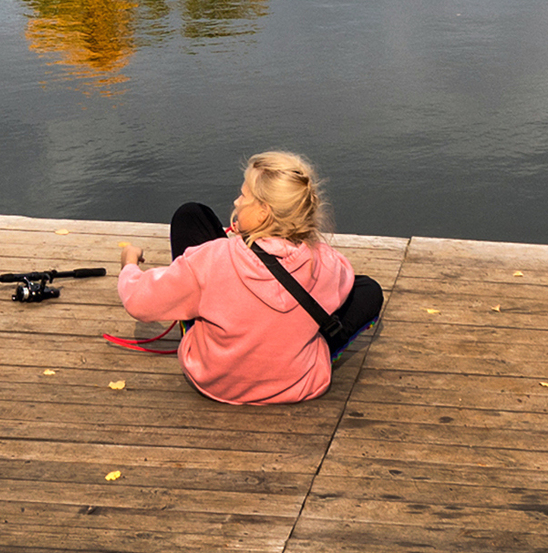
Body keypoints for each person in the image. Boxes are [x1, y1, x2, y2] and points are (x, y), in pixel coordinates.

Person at [109, 150, 380, 406]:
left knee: (190, 215)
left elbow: (138, 301)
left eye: (243, 195)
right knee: (368, 290)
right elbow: (344, 283)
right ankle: (307, 354)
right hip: (298, 383)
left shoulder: (209, 259)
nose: (237, 201)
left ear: (263, 211)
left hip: (215, 382)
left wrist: (129, 263)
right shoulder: (327, 262)